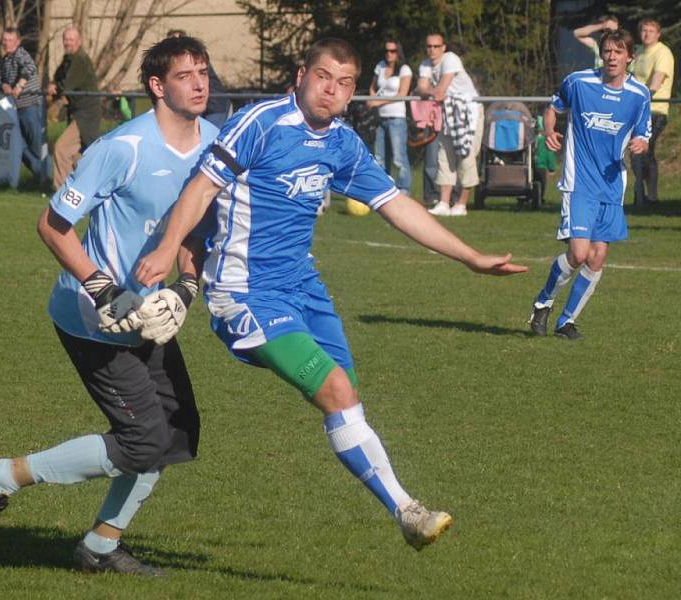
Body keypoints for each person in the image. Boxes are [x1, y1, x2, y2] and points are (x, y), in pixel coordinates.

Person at [133, 38, 527, 551]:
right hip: (246, 294)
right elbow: (202, 189)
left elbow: (395, 204)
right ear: (301, 75)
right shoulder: (263, 123)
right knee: (337, 392)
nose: (331, 90)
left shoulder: (342, 143)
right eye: (323, 77)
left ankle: (398, 505)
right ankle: (408, 511)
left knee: (346, 397)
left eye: (343, 84)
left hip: (305, 290)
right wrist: (167, 250)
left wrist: (470, 257)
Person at [0, 35, 218, 575]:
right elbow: (53, 226)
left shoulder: (215, 144)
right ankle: (0, 477)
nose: (200, 83)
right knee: (144, 437)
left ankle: (99, 547)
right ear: (156, 85)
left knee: (174, 433)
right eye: (185, 75)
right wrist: (103, 287)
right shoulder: (121, 148)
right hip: (92, 318)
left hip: (150, 318)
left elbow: (198, 230)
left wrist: (187, 287)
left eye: (204, 72)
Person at [528, 29, 650, 340]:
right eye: (607, 51)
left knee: (597, 257)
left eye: (618, 52)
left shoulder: (639, 95)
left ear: (629, 57)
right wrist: (549, 131)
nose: (611, 57)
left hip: (612, 185)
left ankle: (566, 321)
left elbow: (643, 135)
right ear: (602, 54)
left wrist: (640, 143)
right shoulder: (579, 82)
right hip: (579, 182)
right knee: (579, 253)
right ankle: (543, 302)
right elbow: (553, 107)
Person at [417, 33, 482, 217]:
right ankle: (444, 203)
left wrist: (430, 90)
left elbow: (438, 91)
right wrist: (431, 91)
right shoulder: (425, 64)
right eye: (429, 46)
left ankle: (461, 203)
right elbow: (422, 90)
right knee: (444, 156)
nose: (432, 50)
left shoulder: (450, 59)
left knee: (466, 156)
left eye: (436, 46)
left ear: (443, 47)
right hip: (447, 113)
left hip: (469, 112)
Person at [48, 26, 102, 190]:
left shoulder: (79, 60)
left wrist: (55, 88)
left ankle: (62, 192)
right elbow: (58, 77)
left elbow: (67, 85)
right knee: (78, 156)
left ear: (79, 42)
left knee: (61, 149)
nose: (67, 43)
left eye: (71, 40)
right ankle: (80, 191)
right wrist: (53, 84)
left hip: (86, 114)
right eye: (65, 39)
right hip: (77, 111)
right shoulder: (68, 59)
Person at [631, 19, 674, 208]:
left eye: (651, 31)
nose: (647, 34)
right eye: (644, 30)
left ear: (658, 34)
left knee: (645, 150)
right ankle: (642, 193)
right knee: (635, 153)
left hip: (655, 109)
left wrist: (641, 98)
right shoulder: (639, 52)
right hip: (636, 110)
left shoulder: (663, 52)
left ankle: (651, 197)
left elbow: (655, 83)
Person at [0, 27, 46, 183]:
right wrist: (4, 85)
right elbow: (4, 79)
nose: (7, 43)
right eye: (4, 40)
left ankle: (50, 178)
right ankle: (42, 176)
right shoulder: (6, 59)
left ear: (18, 42)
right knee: (19, 146)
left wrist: (19, 85)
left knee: (37, 146)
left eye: (10, 40)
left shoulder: (21, 54)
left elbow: (30, 67)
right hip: (15, 109)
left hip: (30, 106)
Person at [368, 38, 412, 193]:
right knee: (379, 157)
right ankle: (383, 189)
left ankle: (403, 189)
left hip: (396, 118)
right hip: (381, 118)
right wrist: (372, 98)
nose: (389, 54)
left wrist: (377, 103)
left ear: (398, 52)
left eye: (392, 51)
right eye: (386, 51)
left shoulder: (404, 69)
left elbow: (402, 94)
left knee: (398, 158)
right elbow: (373, 88)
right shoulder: (380, 66)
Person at [166, 29, 231, 127]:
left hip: (215, 105)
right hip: (195, 105)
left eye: (179, 40)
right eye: (172, 41)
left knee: (211, 136)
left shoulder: (196, 59)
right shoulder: (171, 61)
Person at [533, 115, 555, 200]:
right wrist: (551, 168)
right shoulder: (546, 140)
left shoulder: (531, 139)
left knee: (532, 181)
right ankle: (539, 197)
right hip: (541, 166)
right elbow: (549, 155)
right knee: (542, 183)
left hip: (531, 166)